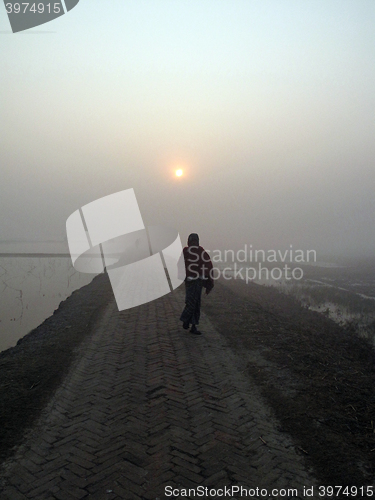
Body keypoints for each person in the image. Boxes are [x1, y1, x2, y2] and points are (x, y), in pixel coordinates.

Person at [179, 233, 214, 335]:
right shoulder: (192, 251)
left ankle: (192, 325)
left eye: (195, 241)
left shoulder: (190, 251)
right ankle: (187, 321)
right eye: (193, 241)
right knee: (192, 302)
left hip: (194, 281)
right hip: (194, 281)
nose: (194, 243)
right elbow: (208, 265)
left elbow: (207, 265)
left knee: (193, 302)